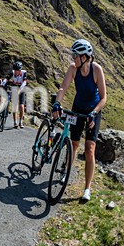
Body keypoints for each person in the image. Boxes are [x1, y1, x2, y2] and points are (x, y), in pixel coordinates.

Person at [53, 39, 107, 203]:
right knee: (74, 143)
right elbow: (64, 87)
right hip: (78, 108)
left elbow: (104, 97)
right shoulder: (73, 68)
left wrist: (94, 112)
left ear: (85, 56)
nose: (73, 57)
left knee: (90, 148)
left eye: (75, 55)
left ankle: (87, 188)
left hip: (93, 111)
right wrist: (57, 102)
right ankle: (66, 172)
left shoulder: (96, 70)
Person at [8, 61, 28, 128]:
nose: (16, 71)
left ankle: (21, 121)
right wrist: (2, 84)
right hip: (15, 87)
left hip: (22, 88)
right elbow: (6, 79)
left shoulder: (24, 73)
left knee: (21, 106)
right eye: (15, 70)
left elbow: (25, 82)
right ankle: (15, 122)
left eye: (17, 70)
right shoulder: (12, 72)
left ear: (20, 70)